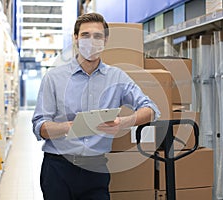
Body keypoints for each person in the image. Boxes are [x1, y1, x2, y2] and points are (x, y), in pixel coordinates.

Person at [32, 12, 160, 200]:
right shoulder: (54, 77)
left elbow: (151, 109)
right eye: (85, 35)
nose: (91, 41)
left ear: (105, 40)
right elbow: (39, 126)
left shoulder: (117, 77)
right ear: (75, 38)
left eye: (97, 36)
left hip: (95, 169)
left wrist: (125, 122)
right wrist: (67, 128)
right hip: (58, 169)